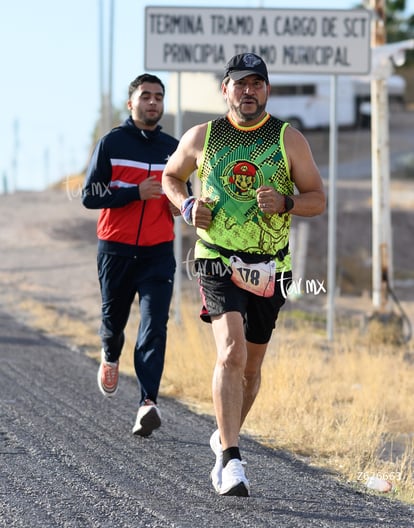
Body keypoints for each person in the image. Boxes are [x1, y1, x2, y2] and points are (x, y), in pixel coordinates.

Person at [162, 53, 326, 496]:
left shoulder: (289, 140)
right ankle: (231, 460)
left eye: (257, 83)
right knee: (230, 352)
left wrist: (288, 202)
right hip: (216, 257)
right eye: (240, 84)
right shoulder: (203, 136)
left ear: (266, 91)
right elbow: (171, 177)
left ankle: (225, 433)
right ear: (225, 90)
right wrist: (188, 204)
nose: (248, 91)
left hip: (270, 265)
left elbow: (317, 199)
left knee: (251, 371)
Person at [82, 73, 184, 437]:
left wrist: (179, 206)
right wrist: (133, 193)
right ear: (131, 103)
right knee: (114, 324)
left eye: (159, 96)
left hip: (158, 252)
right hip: (116, 250)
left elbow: (183, 194)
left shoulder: (175, 148)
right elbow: (90, 195)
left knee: (154, 327)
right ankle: (110, 356)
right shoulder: (112, 143)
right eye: (146, 96)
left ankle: (147, 404)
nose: (153, 102)